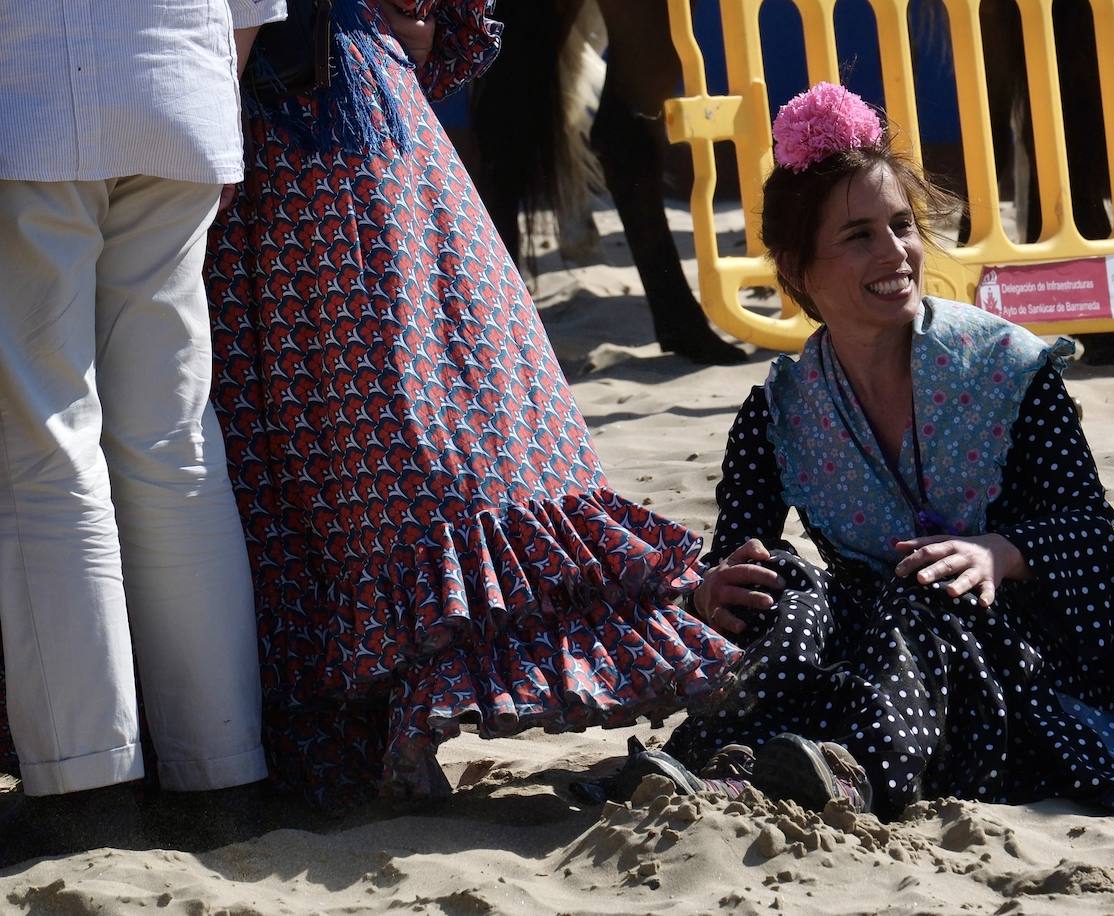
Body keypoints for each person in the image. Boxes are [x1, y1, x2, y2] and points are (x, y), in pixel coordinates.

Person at [626, 83, 1114, 821]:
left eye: (901, 225)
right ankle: (724, 763)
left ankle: (853, 775)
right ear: (799, 271)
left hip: (1002, 658)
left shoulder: (1003, 369)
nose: (896, 251)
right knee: (787, 587)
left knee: (927, 585)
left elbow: (1085, 526)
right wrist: (715, 591)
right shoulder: (780, 411)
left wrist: (996, 551)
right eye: (859, 235)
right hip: (860, 651)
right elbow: (738, 555)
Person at [203, 0, 740, 807]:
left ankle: (321, 719)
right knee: (395, 421)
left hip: (275, 115)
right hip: (322, 117)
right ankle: (363, 713)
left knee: (337, 428)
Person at [0, 1, 278, 817]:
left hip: (31, 97)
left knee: (47, 442)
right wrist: (209, 96)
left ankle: (88, 783)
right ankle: (222, 770)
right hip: (180, 96)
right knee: (173, 446)